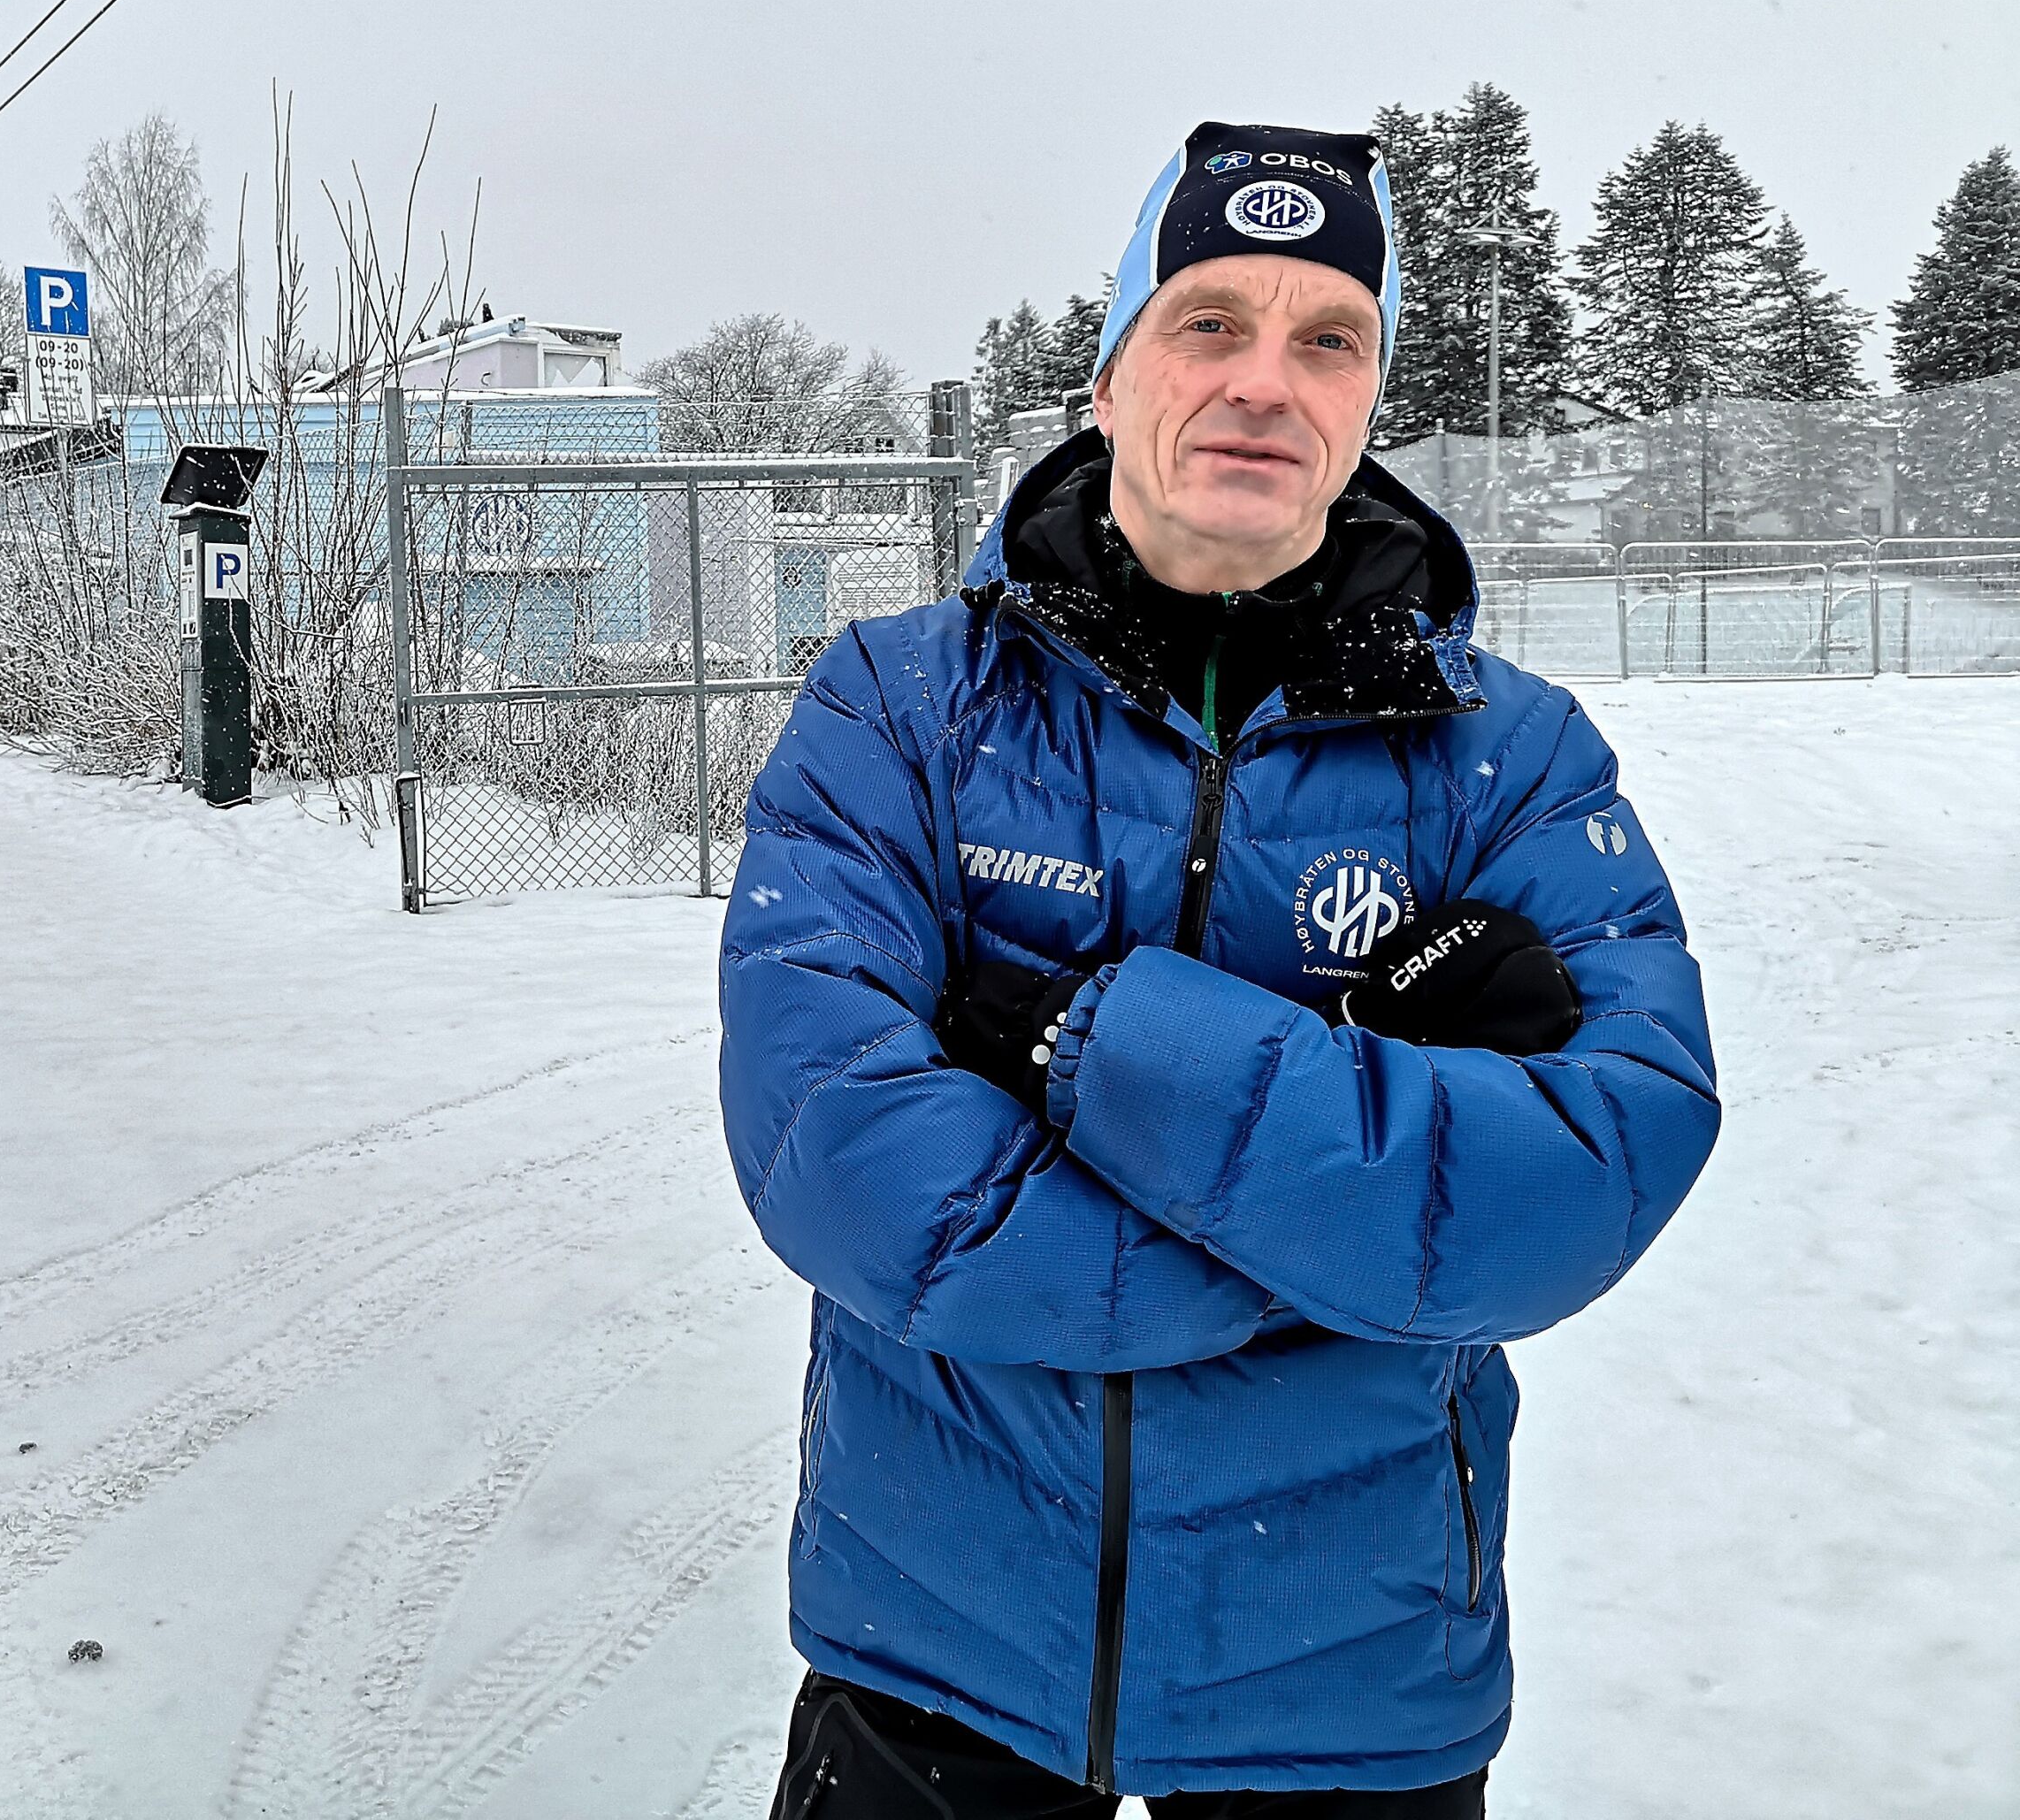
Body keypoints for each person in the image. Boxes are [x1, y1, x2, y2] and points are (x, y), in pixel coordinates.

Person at [718, 121, 1719, 1816]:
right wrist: (1345, 1228)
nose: (1267, 380)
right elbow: (841, 1157)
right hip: (935, 1649)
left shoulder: (1517, 761)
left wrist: (1098, 1051)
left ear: (1369, 403)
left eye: (1328, 337)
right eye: (1208, 322)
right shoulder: (899, 707)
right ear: (1108, 380)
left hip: (1351, 1676)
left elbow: (1602, 1165)